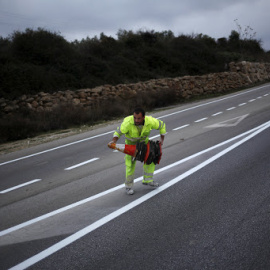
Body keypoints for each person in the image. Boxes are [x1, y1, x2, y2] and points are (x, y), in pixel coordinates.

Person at [109, 107, 166, 195]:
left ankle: (148, 180)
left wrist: (161, 140)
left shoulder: (150, 121)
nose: (136, 120)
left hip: (144, 144)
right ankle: (128, 187)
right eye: (135, 117)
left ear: (143, 117)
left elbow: (162, 125)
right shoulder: (128, 122)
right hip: (131, 146)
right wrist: (114, 141)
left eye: (139, 118)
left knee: (151, 158)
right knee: (130, 165)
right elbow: (118, 132)